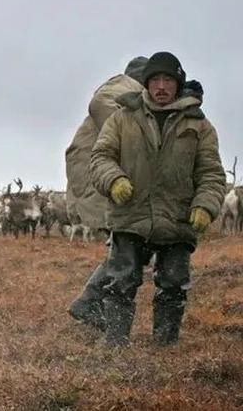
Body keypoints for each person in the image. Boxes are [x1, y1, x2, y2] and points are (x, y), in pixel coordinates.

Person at [89, 52, 226, 346]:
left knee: (174, 285)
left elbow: (211, 174)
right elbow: (100, 157)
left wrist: (205, 205)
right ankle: (116, 345)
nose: (161, 86)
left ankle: (164, 348)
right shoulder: (122, 118)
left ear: (178, 84)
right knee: (120, 283)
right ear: (146, 84)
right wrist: (114, 179)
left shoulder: (199, 125)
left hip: (176, 219)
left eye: (168, 80)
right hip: (130, 216)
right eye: (155, 80)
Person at [65, 56, 148, 330]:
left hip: (99, 178)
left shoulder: (130, 93)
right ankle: (90, 305)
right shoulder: (125, 85)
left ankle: (92, 306)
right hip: (98, 179)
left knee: (123, 248)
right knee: (125, 248)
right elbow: (99, 103)